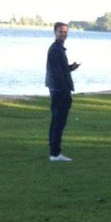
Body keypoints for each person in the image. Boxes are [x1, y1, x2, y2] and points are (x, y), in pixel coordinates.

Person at [46, 22, 80, 161]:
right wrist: (65, 91)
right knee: (58, 123)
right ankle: (55, 154)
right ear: (55, 32)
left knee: (58, 122)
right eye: (61, 32)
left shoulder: (59, 49)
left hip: (59, 89)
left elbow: (60, 69)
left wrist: (70, 67)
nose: (63, 34)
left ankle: (55, 152)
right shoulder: (55, 49)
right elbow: (56, 73)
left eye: (65, 32)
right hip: (59, 91)